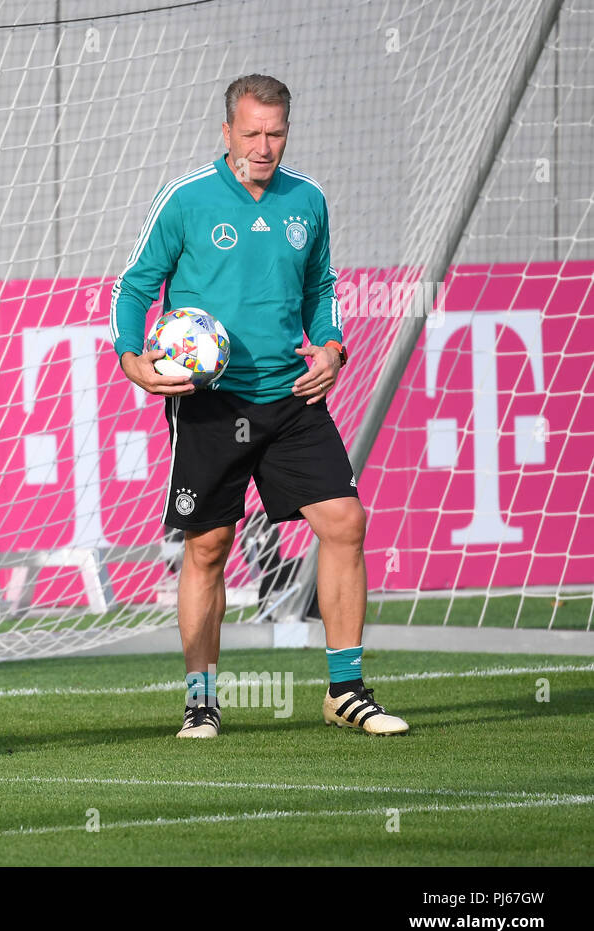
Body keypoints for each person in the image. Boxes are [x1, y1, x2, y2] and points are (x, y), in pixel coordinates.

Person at [110, 74, 408, 739]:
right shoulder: (185, 200)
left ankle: (346, 689)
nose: (264, 146)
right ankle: (201, 701)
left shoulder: (309, 199)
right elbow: (135, 288)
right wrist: (132, 359)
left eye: (276, 133)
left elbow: (321, 284)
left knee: (344, 520)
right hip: (208, 398)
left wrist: (330, 346)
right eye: (252, 133)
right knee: (210, 544)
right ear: (227, 132)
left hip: (290, 392)